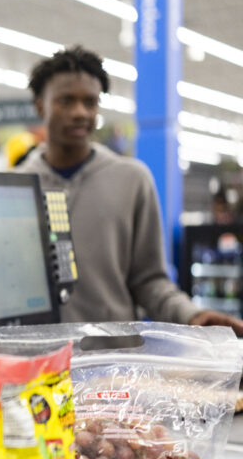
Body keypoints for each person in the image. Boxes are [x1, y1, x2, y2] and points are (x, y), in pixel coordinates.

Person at [16, 46, 243, 333]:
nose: (80, 113)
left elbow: (150, 281)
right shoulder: (14, 188)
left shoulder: (132, 180)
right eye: (66, 101)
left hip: (113, 361)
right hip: (33, 361)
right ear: (40, 105)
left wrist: (192, 315)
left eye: (90, 102)